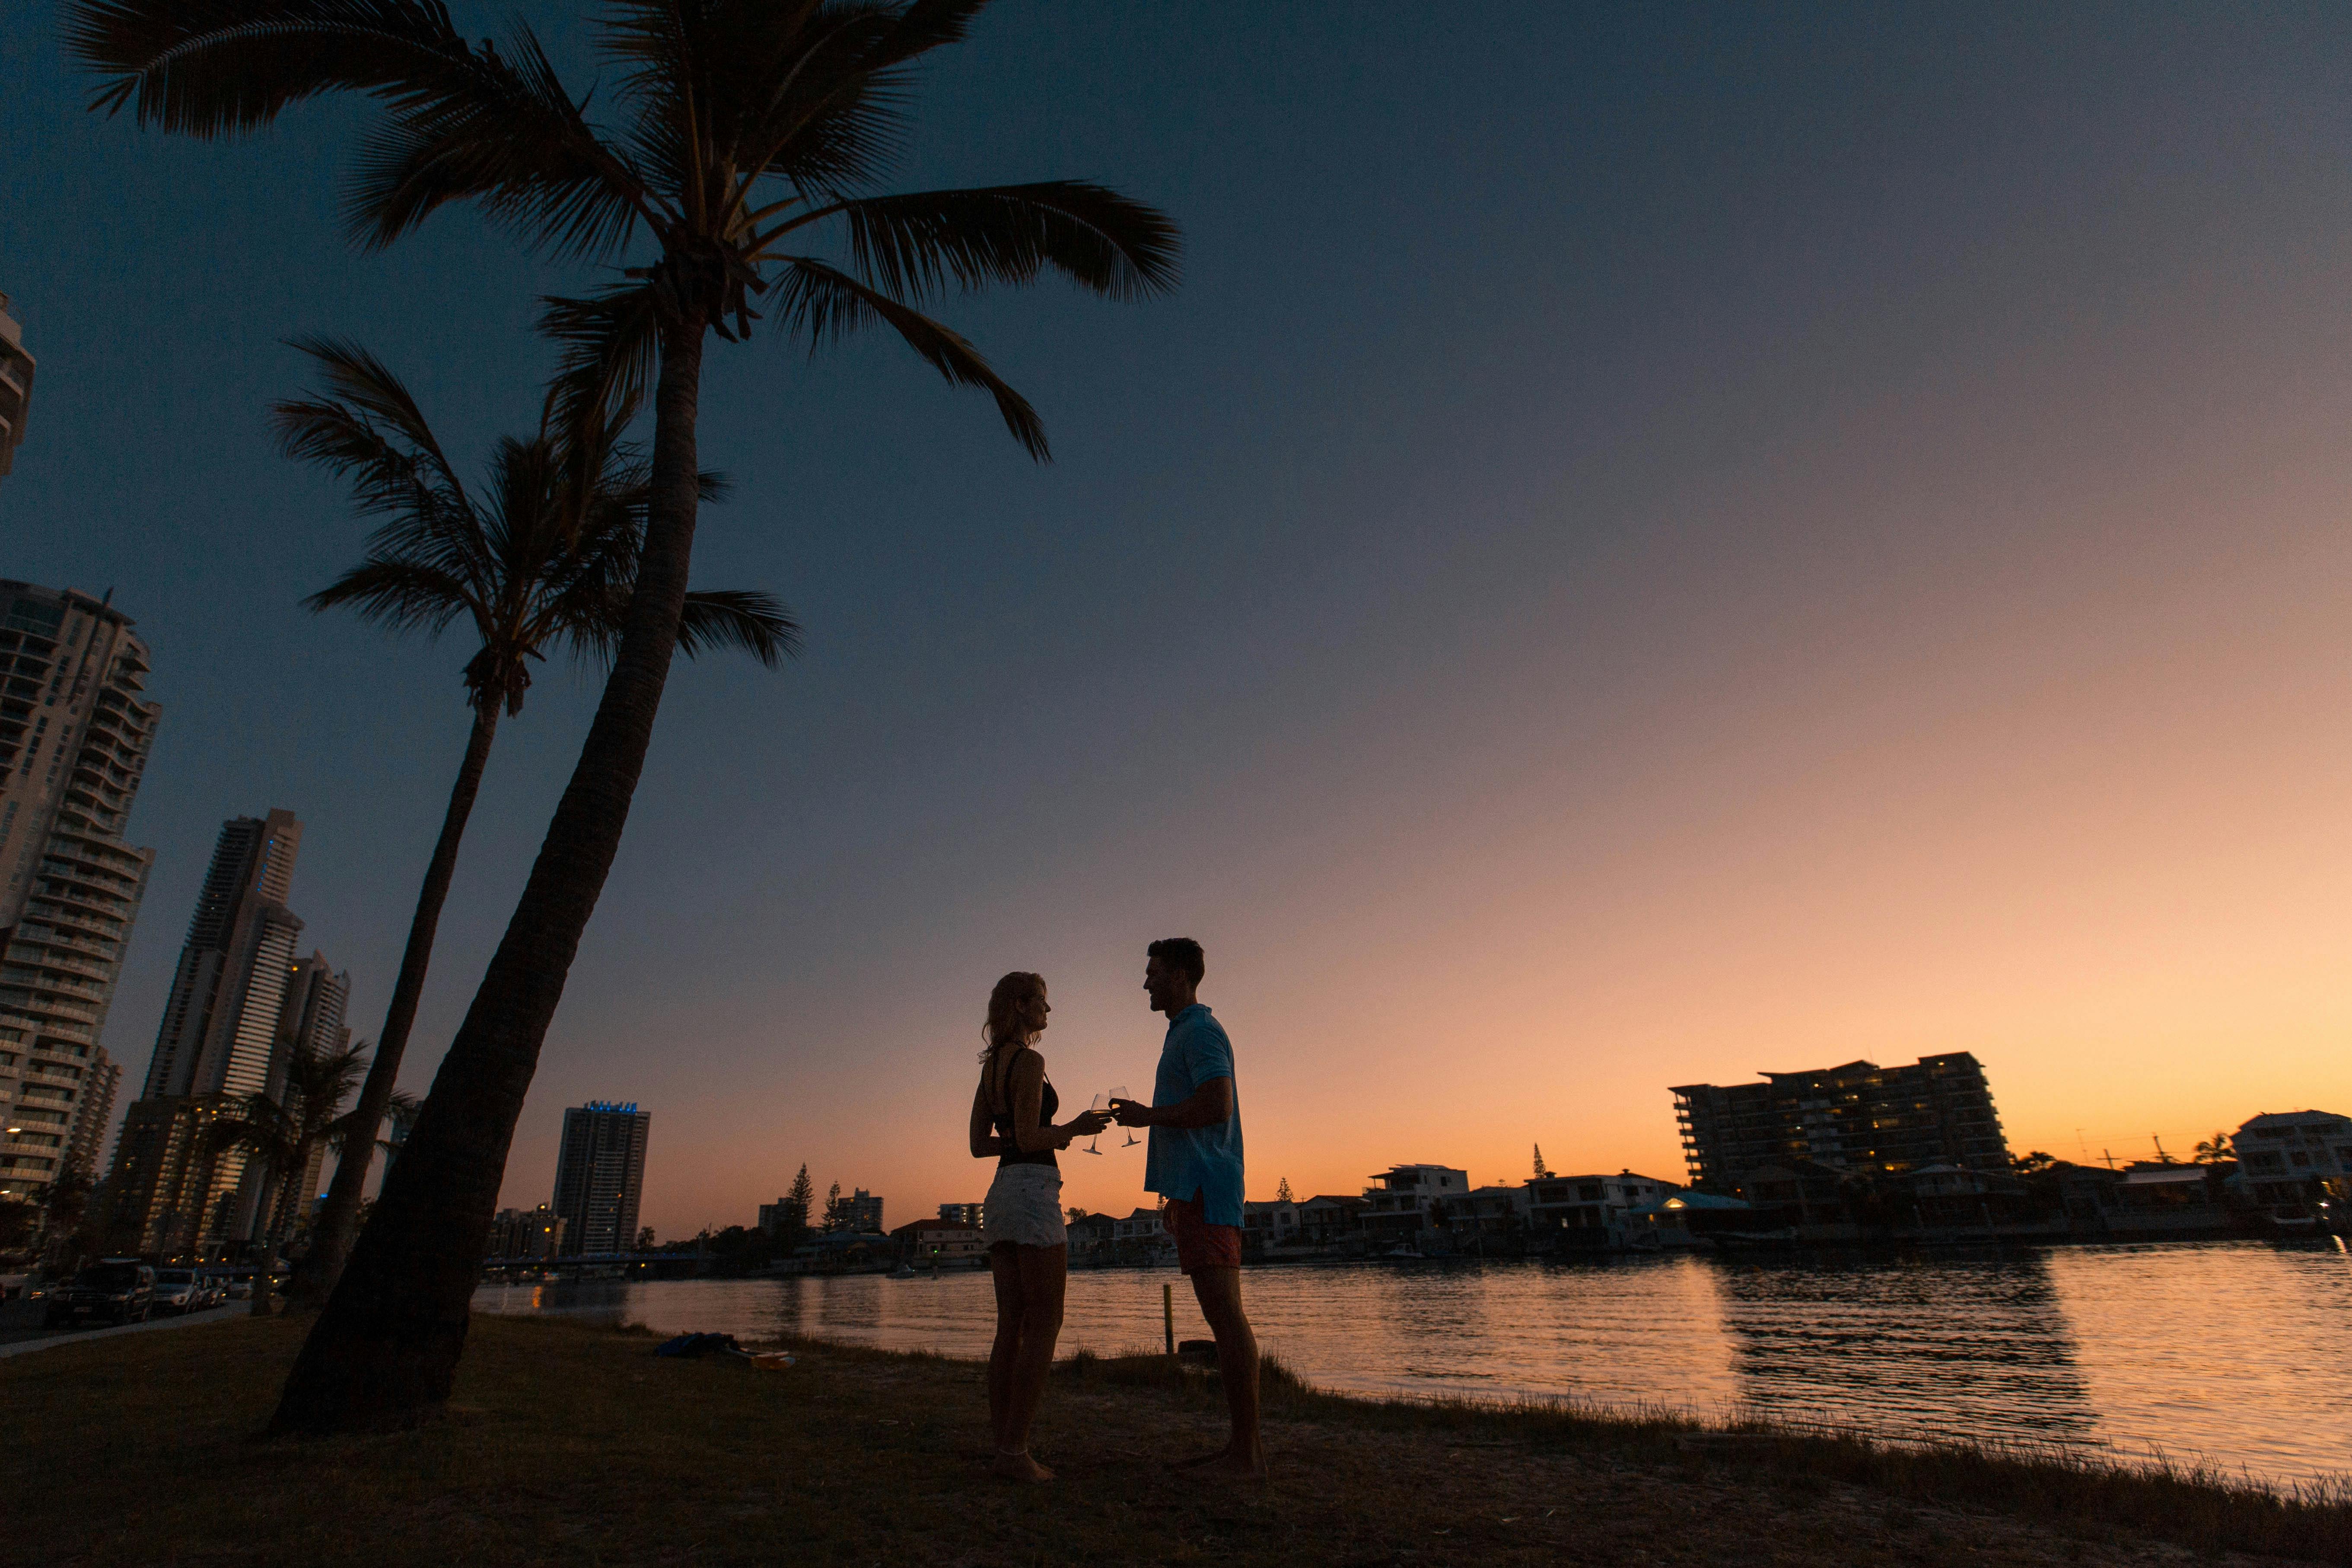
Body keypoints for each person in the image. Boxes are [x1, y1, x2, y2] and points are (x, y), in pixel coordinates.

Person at [1111, 937, 1264, 1477]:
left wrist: (1149, 1116)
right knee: (1223, 1317)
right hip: (1195, 1191)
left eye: (1153, 972)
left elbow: (1217, 1103)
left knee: (1226, 1318)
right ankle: (1241, 1449)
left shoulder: (1199, 1030)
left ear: (1179, 975)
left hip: (1208, 1189)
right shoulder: (1182, 1032)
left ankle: (1246, 1454)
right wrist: (1173, 1192)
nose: (1145, 982)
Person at [968, 970, 1110, 1482]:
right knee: (1045, 1321)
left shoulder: (990, 1068)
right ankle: (1015, 1452)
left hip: (1001, 1193)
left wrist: (1032, 1135)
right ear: (1021, 1006)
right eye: (1043, 1002)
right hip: (1032, 1191)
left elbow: (980, 1145)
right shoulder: (1030, 1061)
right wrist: (1073, 1128)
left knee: (1011, 1323)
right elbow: (1030, 1138)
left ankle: (1003, 1446)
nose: (1049, 1010)